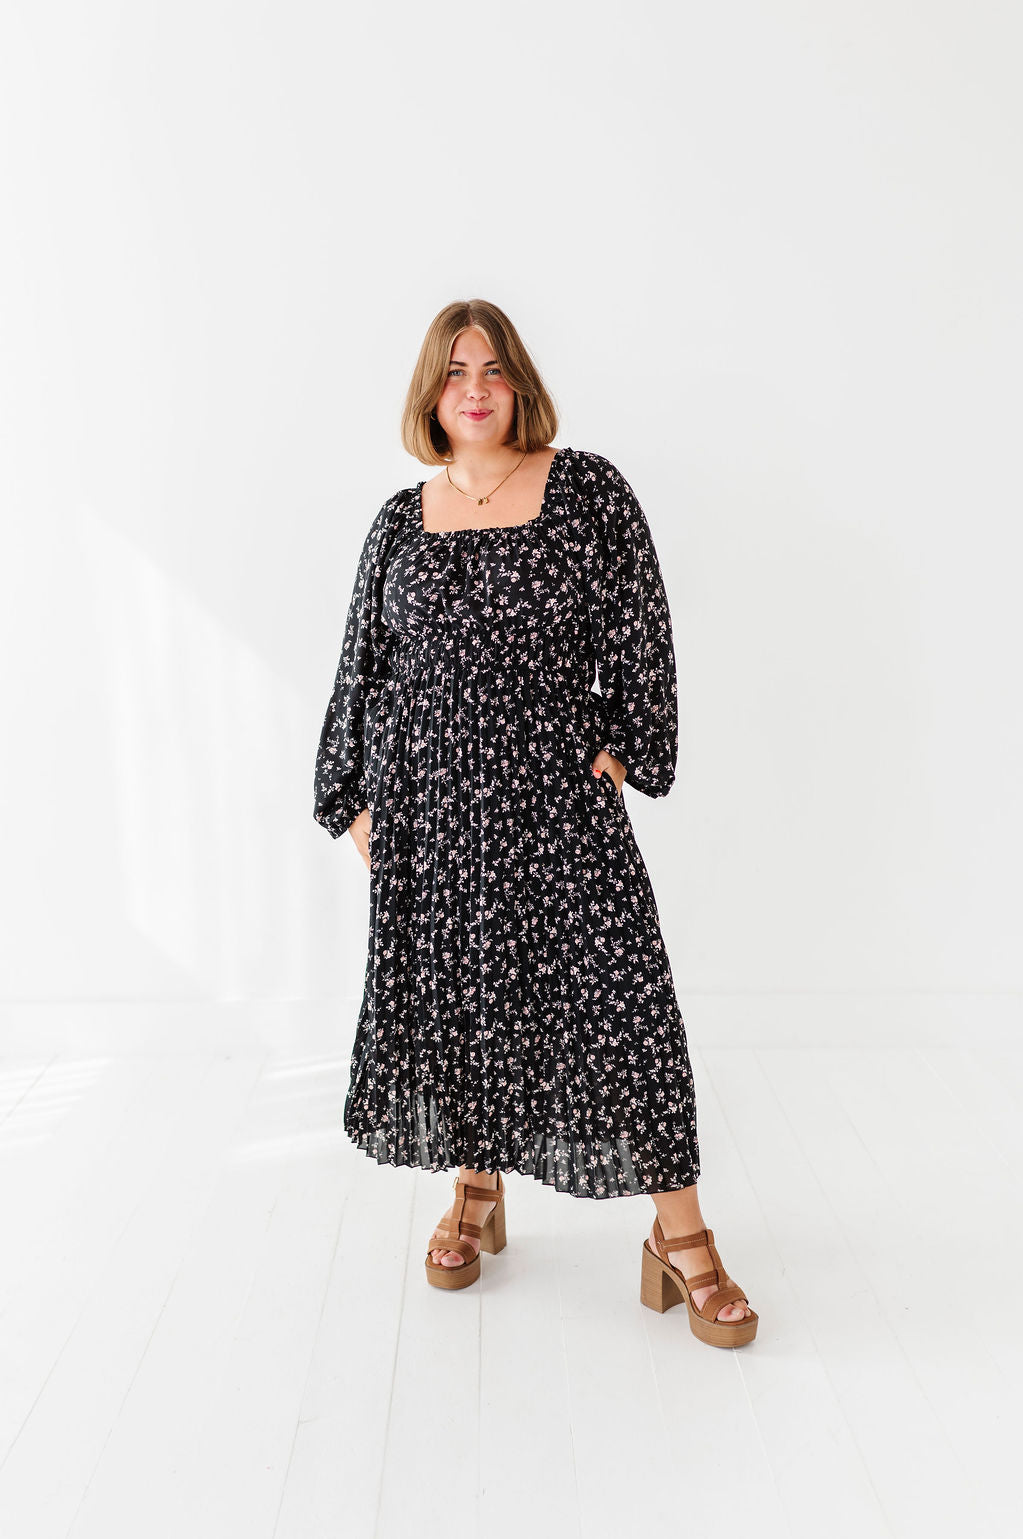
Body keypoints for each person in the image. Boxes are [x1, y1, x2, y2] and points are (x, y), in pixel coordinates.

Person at [313, 299, 757, 1347]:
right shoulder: (398, 520)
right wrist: (352, 797)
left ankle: (680, 1236)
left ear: (519, 383)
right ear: (431, 393)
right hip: (431, 806)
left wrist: (629, 744)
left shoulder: (586, 489)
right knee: (468, 998)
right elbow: (363, 665)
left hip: (556, 799)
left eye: (493, 369)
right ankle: (476, 1187)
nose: (474, 388)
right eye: (454, 371)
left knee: (624, 1002)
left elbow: (640, 625)